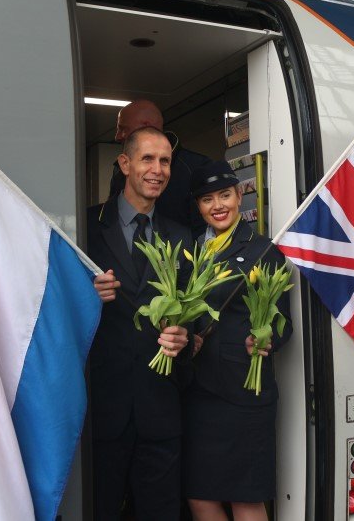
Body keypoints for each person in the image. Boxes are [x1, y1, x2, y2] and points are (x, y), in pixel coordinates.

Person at [88, 126, 193, 520]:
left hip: (161, 409)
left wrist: (187, 335)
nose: (158, 169)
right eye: (148, 158)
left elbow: (193, 315)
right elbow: (51, 304)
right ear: (125, 163)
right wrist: (87, 295)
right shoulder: (86, 227)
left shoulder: (181, 236)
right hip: (103, 409)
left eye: (165, 161)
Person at [182, 160, 293, 521]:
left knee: (245, 499)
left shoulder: (262, 250)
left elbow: (283, 322)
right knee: (200, 496)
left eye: (225, 195)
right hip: (199, 393)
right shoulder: (192, 250)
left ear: (239, 194)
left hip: (244, 393)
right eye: (207, 199)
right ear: (198, 206)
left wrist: (266, 340)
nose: (218, 206)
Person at [108, 99, 211, 237]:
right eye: (147, 159)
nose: (117, 136)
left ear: (145, 126)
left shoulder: (197, 167)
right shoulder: (91, 226)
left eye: (123, 128)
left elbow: (205, 231)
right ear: (125, 164)